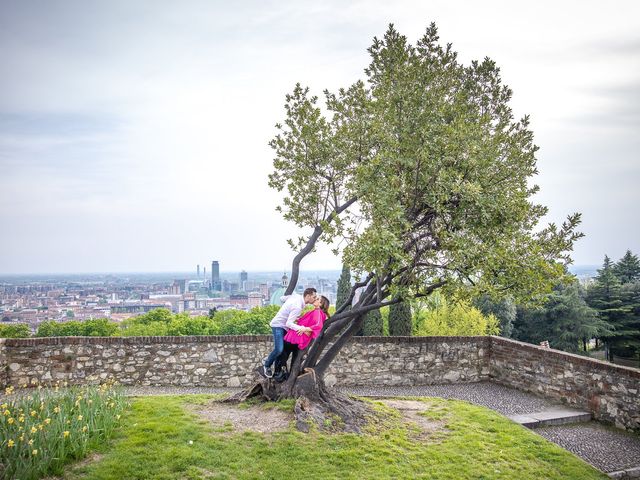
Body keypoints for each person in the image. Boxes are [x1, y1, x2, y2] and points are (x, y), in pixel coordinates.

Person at [273, 295, 330, 382]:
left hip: (296, 337)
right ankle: (287, 377)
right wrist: (300, 321)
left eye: (317, 299)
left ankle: (279, 374)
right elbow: (311, 323)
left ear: (321, 304)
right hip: (298, 338)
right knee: (292, 358)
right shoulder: (316, 312)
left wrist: (304, 329)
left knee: (283, 354)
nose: (315, 299)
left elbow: (318, 325)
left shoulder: (317, 312)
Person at [262, 287, 317, 378]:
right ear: (308, 296)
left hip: (284, 327)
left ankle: (278, 372)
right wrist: (302, 328)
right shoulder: (297, 306)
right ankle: (267, 364)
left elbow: (282, 298)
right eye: (314, 297)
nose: (315, 299)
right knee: (279, 349)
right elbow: (289, 323)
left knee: (282, 350)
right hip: (278, 325)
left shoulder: (296, 297)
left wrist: (288, 309)